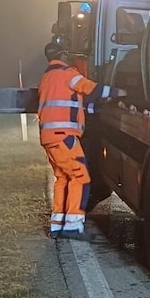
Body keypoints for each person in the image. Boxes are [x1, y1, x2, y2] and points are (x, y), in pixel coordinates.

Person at [37, 42, 125, 239]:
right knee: (80, 178)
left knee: (62, 179)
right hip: (65, 137)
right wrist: (119, 92)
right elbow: (92, 88)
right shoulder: (68, 74)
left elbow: (74, 104)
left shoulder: (46, 78)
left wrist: (94, 109)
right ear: (62, 54)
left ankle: (57, 226)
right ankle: (73, 227)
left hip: (49, 138)